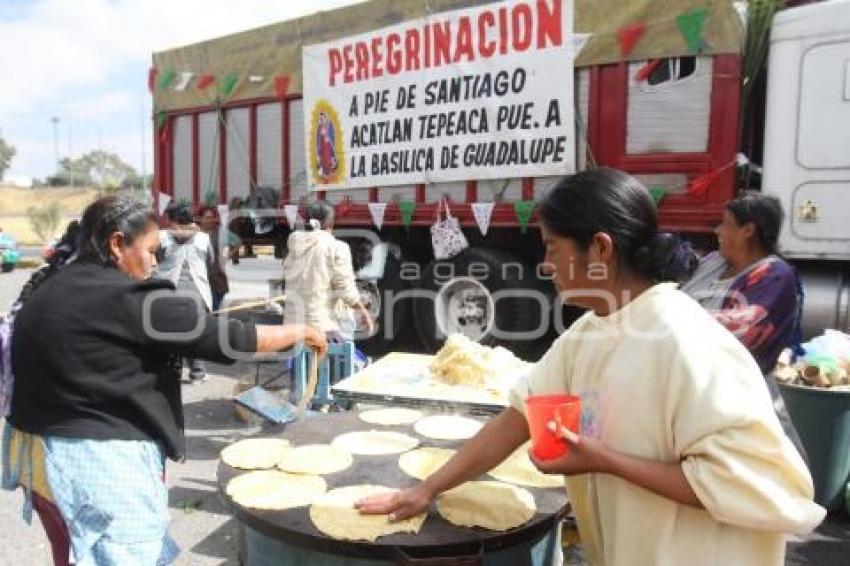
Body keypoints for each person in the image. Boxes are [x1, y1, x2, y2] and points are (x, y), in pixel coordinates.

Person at [356, 168, 824, 566]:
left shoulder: (686, 341)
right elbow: (517, 418)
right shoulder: (590, 333)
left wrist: (601, 460)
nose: (544, 265)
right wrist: (427, 489)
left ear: (600, 249)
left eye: (552, 248)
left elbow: (761, 486)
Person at [3, 195, 326, 566]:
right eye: (152, 251)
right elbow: (230, 339)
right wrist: (299, 330)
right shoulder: (131, 299)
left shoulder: (52, 286)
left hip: (40, 464)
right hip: (94, 467)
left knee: (71, 555)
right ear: (116, 243)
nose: (156, 262)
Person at [680, 192, 807, 460]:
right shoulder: (714, 263)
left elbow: (735, 336)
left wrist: (667, 321)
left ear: (748, 230)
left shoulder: (774, 276)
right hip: (691, 395)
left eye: (725, 223)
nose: (718, 231)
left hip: (738, 401)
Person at [282, 201, 373, 343]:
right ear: (331, 223)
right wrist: (364, 312)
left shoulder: (294, 243)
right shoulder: (337, 247)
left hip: (292, 327)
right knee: (348, 341)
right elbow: (346, 291)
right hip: (321, 328)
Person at [155, 203, 215, 384]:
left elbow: (154, 259)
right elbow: (211, 261)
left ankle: (170, 374)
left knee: (168, 335)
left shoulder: (162, 237)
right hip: (197, 294)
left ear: (172, 219)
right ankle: (197, 374)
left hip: (167, 293)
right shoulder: (203, 238)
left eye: (168, 218)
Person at [198, 206, 238, 312]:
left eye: (212, 217)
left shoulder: (220, 232)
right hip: (200, 275)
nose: (209, 220)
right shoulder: (196, 232)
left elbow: (237, 242)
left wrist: (227, 256)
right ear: (200, 219)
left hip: (217, 275)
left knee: (214, 308)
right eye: (206, 218)